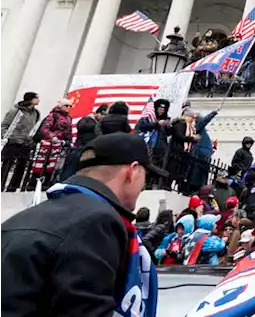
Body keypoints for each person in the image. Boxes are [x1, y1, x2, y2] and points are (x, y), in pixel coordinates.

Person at [0, 133, 158, 316]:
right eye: (146, 175)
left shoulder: (21, 217)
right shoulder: (98, 220)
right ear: (132, 171)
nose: (144, 185)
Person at [0, 92, 41, 190]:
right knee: (7, 165)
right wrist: (7, 137)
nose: (39, 100)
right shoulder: (16, 111)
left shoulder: (36, 113)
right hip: (13, 142)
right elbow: (4, 125)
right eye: (37, 98)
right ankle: (1, 184)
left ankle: (13, 187)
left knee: (21, 166)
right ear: (31, 99)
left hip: (26, 143)